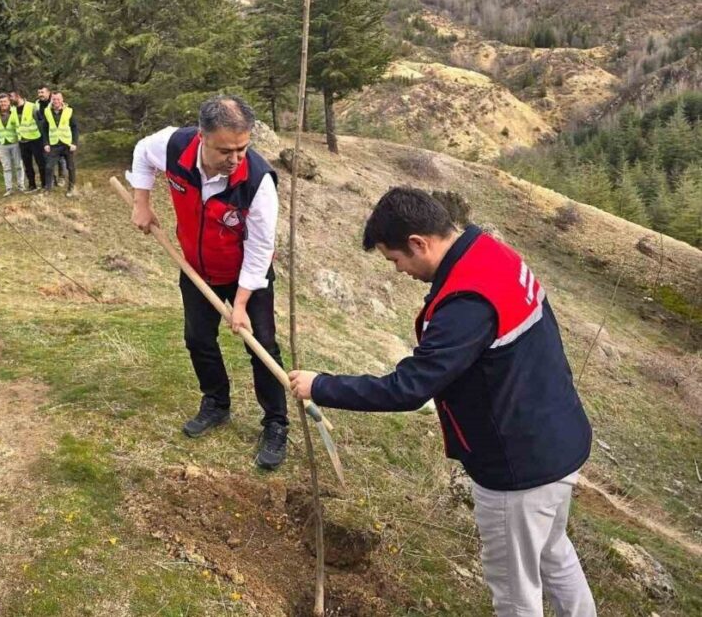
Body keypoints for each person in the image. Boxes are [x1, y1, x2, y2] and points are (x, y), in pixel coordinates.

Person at [289, 187, 596, 617]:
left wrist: (321, 386)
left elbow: (409, 388)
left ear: (419, 243)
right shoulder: (488, 252)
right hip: (557, 440)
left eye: (396, 261)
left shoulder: (467, 301)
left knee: (514, 591)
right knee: (552, 551)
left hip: (518, 467)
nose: (399, 272)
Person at [126, 95, 288, 469]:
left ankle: (276, 423)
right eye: (226, 150)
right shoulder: (173, 146)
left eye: (243, 148)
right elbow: (141, 153)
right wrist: (141, 202)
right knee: (197, 338)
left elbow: (262, 248)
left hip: (247, 271)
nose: (235, 159)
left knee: (262, 345)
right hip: (196, 268)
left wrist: (242, 303)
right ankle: (216, 403)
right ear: (202, 137)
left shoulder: (258, 181)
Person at [43, 90, 80, 196]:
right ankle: (48, 189)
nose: (56, 101)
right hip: (54, 144)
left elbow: (75, 128)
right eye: (54, 99)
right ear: (51, 100)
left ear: (62, 100)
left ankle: (71, 188)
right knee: (49, 167)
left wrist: (74, 143)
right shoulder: (47, 111)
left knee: (70, 167)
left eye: (58, 99)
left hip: (67, 144)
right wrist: (46, 143)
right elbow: (45, 129)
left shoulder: (69, 111)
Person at [0, 93, 24, 196]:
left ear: (9, 102)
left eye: (5, 101)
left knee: (18, 165)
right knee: (6, 167)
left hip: (15, 142)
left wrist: (20, 138)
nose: (3, 103)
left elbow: (20, 125)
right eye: (1, 102)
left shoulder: (15, 111)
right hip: (2, 144)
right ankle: (9, 188)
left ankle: (21, 185)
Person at [10, 89, 46, 192]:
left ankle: (44, 184)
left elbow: (40, 123)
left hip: (35, 139)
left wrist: (43, 140)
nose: (10, 99)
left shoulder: (32, 107)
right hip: (22, 141)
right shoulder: (13, 109)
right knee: (27, 165)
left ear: (18, 96)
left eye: (12, 96)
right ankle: (32, 185)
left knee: (41, 162)